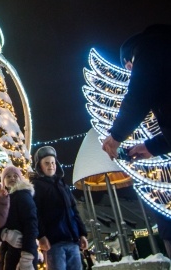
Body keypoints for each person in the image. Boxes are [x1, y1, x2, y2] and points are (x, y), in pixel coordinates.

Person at [101, 24, 171, 160]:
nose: (132, 73)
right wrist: (152, 147)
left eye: (129, 68)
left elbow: (139, 95)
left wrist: (116, 135)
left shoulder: (149, 46)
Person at [31, 146, 88, 270]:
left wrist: (82, 233)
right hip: (54, 243)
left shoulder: (63, 185)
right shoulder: (37, 186)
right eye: (46, 163)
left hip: (72, 240)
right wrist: (41, 236)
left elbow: (74, 210)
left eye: (53, 162)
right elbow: (36, 214)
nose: (51, 165)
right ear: (39, 166)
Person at [0, 165, 38, 270]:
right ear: (3, 181)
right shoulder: (5, 199)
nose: (12, 178)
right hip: (9, 250)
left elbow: (31, 224)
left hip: (22, 251)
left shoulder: (22, 195)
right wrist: (4, 234)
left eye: (15, 176)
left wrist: (27, 256)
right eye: (8, 176)